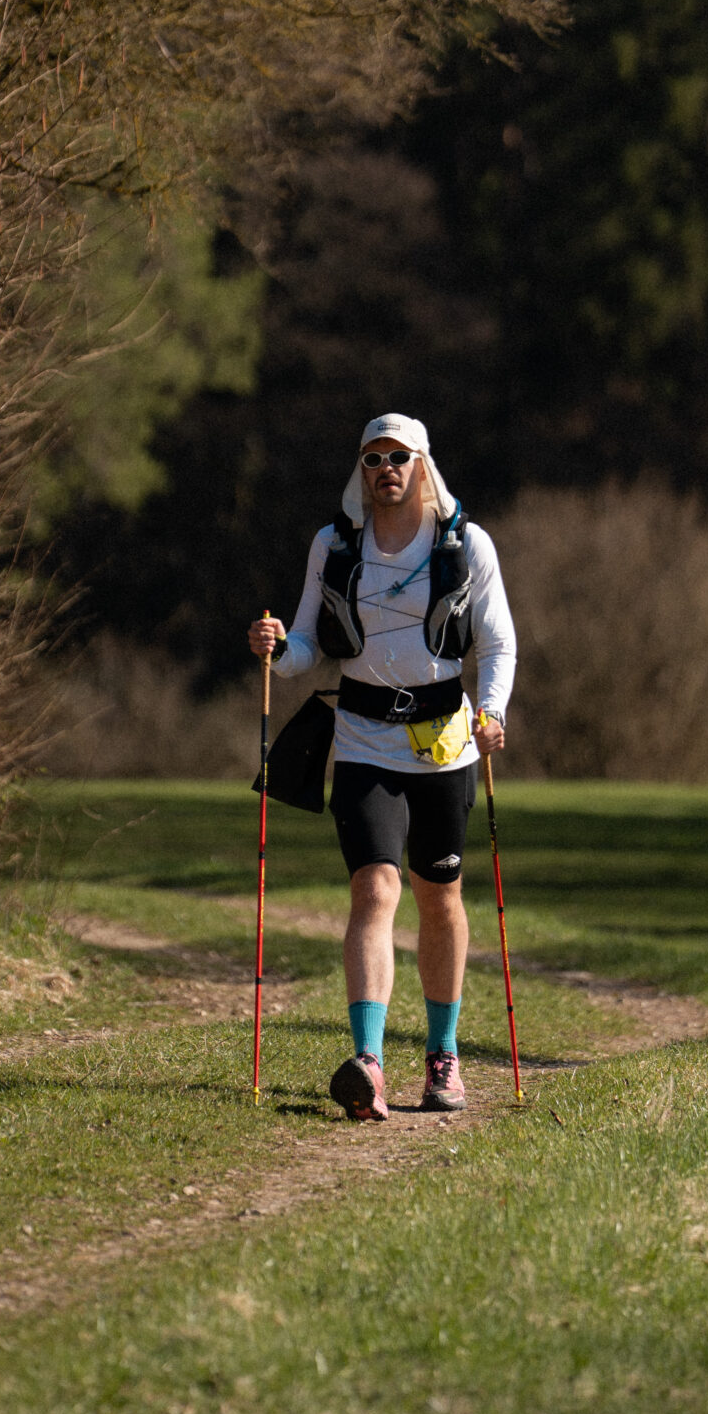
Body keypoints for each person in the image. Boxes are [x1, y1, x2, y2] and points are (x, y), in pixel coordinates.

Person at [248, 414, 515, 1121]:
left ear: (422, 465)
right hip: (363, 739)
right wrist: (278, 648)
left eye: (398, 457)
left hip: (446, 741)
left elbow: (497, 642)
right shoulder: (334, 545)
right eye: (372, 459)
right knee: (373, 889)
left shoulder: (466, 543)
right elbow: (309, 646)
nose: (385, 469)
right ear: (360, 470)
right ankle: (368, 1061)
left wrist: (491, 712)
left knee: (440, 897)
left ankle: (442, 1054)